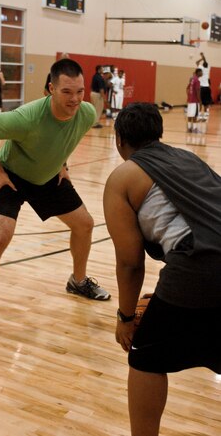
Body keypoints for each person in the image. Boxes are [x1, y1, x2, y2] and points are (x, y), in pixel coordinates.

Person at [0, 58, 111, 344]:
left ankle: (78, 281)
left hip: (48, 177)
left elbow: (66, 137)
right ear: (50, 90)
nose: (75, 99)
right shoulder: (26, 117)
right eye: (67, 92)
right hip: (12, 177)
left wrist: (63, 164)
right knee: (1, 236)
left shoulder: (87, 113)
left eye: (79, 91)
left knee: (85, 225)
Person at [103, 102, 221, 436]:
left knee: (146, 356)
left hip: (199, 263)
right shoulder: (187, 157)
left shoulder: (123, 176)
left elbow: (129, 262)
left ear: (119, 139)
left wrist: (126, 318)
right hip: (203, 264)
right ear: (159, 133)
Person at [196, 52, 212, 118]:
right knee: (206, 102)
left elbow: (197, 62)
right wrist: (203, 57)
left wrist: (201, 57)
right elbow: (205, 61)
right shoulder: (208, 68)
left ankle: (199, 113)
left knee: (200, 101)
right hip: (207, 88)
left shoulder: (201, 69)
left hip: (202, 88)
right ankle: (205, 114)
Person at [186, 68, 202, 133]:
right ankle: (195, 129)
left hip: (190, 100)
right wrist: (200, 101)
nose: (202, 73)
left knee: (190, 115)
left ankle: (189, 128)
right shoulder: (197, 81)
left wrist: (189, 96)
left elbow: (187, 89)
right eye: (201, 72)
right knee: (195, 115)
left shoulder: (192, 79)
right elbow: (197, 91)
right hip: (195, 101)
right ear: (198, 72)